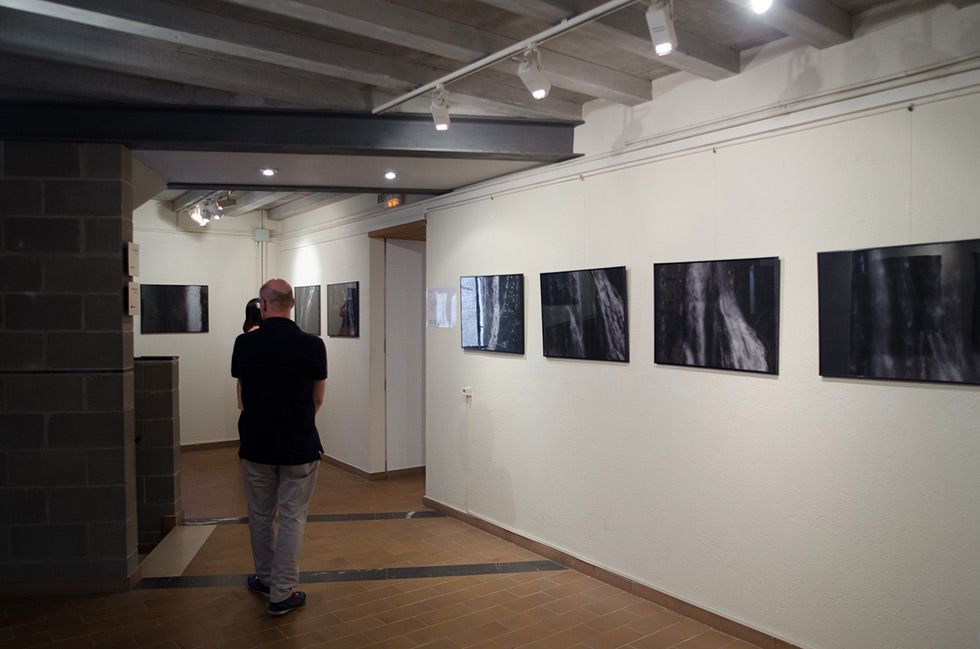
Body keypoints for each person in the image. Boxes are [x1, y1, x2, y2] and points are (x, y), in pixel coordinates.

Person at [230, 279, 327, 616]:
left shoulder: (244, 344)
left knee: (259, 516)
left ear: (264, 304)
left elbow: (242, 397)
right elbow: (317, 398)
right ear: (293, 305)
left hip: (256, 444)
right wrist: (296, 421)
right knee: (292, 518)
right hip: (299, 445)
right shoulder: (313, 345)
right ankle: (281, 592)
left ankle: (267, 578)